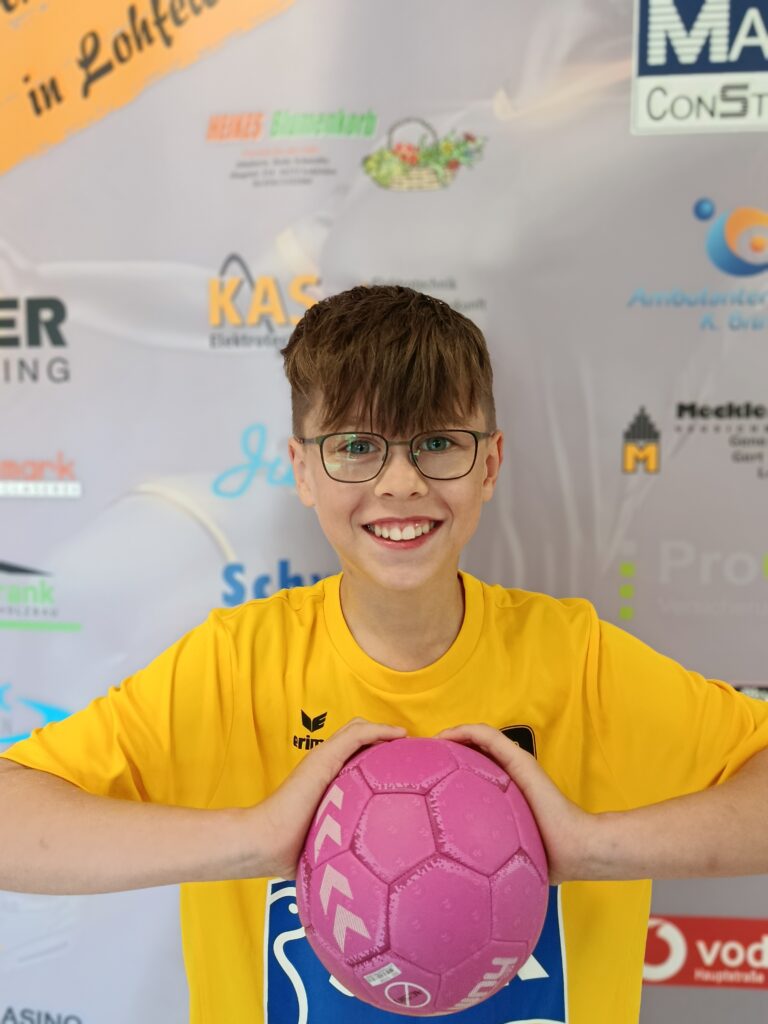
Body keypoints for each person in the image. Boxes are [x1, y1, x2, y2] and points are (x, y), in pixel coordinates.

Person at [1, 284, 767, 1024]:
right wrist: (252, 840)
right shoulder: (235, 666)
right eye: (357, 447)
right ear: (302, 469)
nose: (400, 484)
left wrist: (594, 849)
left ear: (490, 463)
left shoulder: (578, 661)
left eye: (437, 443)